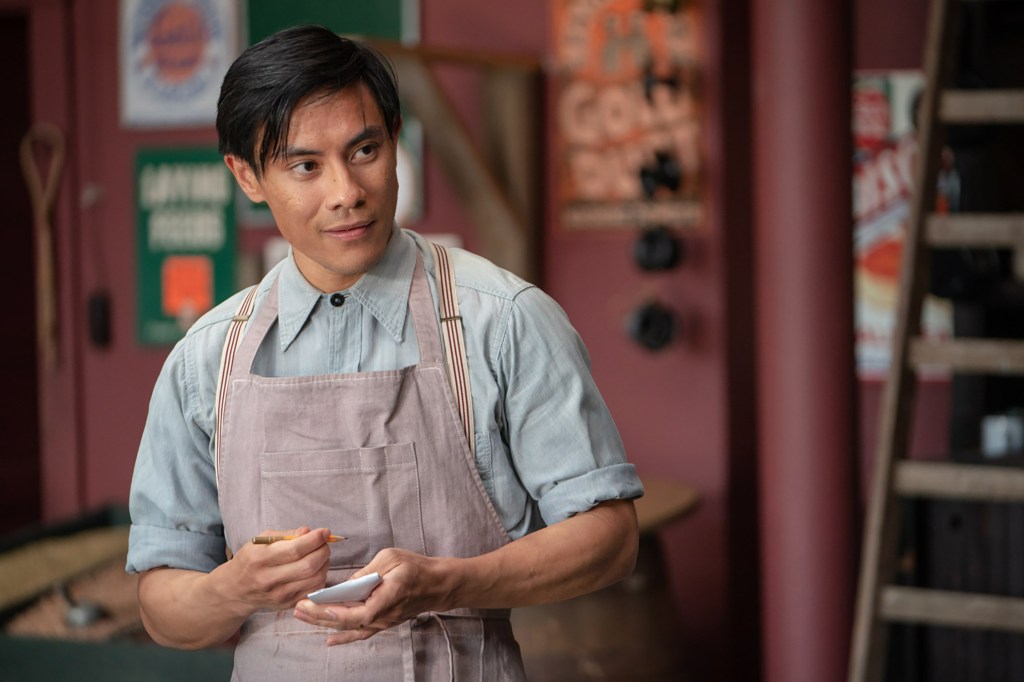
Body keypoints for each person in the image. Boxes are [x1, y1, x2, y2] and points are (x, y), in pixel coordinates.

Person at [127, 24, 644, 681]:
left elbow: (611, 540)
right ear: (247, 176)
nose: (347, 191)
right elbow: (161, 608)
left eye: (365, 149)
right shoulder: (208, 359)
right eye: (305, 166)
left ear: (396, 139)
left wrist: (446, 583)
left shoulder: (504, 320)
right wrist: (234, 589)